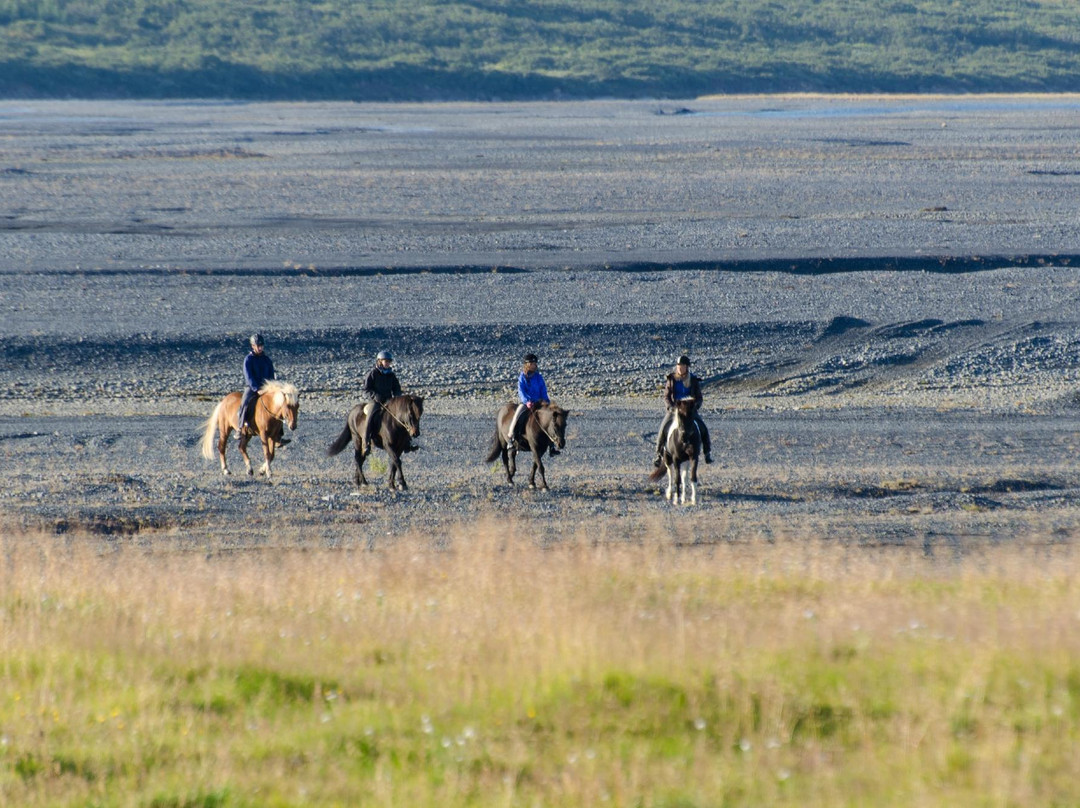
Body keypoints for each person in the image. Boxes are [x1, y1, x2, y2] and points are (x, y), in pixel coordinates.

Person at [654, 354, 712, 466]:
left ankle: (707, 452)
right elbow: (666, 396)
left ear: (687, 367)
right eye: (678, 365)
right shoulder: (671, 379)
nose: (680, 368)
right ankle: (659, 455)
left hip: (689, 411)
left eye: (682, 366)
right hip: (675, 410)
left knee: (703, 427)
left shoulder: (693, 380)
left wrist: (695, 407)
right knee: (663, 428)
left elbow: (699, 397)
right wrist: (671, 407)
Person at [507, 353, 559, 456]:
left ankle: (552, 445)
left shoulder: (539, 377)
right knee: (517, 416)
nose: (535, 365)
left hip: (539, 403)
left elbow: (543, 390)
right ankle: (511, 438)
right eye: (533, 363)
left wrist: (546, 402)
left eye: (535, 363)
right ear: (527, 365)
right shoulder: (522, 377)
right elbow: (521, 391)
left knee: (551, 418)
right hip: (527, 403)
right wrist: (527, 401)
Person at [361, 349, 403, 457]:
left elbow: (396, 388)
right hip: (375, 401)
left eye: (389, 361)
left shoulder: (391, 375)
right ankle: (366, 443)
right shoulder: (372, 373)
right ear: (379, 361)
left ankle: (406, 441)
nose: (388, 363)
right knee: (370, 416)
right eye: (386, 361)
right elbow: (365, 390)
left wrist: (397, 396)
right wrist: (375, 396)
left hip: (389, 401)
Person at [237, 333, 275, 436]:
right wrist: (257, 389)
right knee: (245, 402)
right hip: (252, 387)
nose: (260, 348)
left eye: (261, 346)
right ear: (253, 346)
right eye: (258, 346)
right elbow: (248, 376)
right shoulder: (248, 359)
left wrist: (271, 387)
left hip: (266, 388)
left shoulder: (267, 360)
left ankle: (279, 433)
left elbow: (271, 375)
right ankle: (240, 427)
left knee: (278, 404)